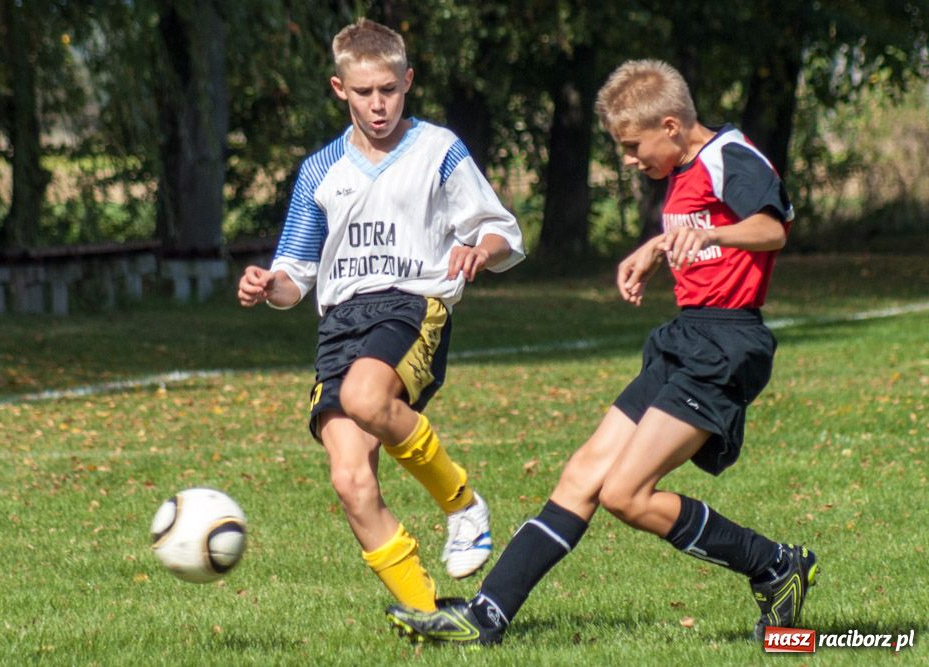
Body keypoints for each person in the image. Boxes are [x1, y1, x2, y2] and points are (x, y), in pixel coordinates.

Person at [386, 58, 816, 644]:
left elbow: (773, 228)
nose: (630, 160)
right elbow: (696, 229)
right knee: (583, 474)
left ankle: (774, 565)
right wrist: (657, 248)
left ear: (671, 125)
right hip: (686, 337)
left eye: (634, 147)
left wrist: (709, 233)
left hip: (726, 344)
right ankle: (485, 616)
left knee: (626, 495)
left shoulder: (729, 156)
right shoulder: (685, 166)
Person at [237, 18, 525, 614]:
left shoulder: (438, 150)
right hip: (339, 324)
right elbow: (295, 278)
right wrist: (268, 286)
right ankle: (432, 615)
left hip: (411, 305)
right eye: (364, 92)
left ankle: (463, 506)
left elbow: (503, 231)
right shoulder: (320, 170)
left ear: (407, 81)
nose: (378, 105)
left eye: (389, 90)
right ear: (339, 88)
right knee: (350, 480)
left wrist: (481, 250)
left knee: (366, 399)